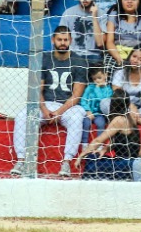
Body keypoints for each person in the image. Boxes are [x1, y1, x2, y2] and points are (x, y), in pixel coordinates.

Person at [12, 26, 88, 177]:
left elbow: (76, 96)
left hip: (68, 107)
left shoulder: (79, 61)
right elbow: (37, 90)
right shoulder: (44, 59)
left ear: (70, 41)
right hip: (46, 104)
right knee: (22, 117)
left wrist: (59, 112)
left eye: (66, 40)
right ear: (53, 40)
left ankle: (66, 162)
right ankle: (21, 160)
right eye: (59, 39)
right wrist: (45, 110)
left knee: (77, 117)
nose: (62, 43)